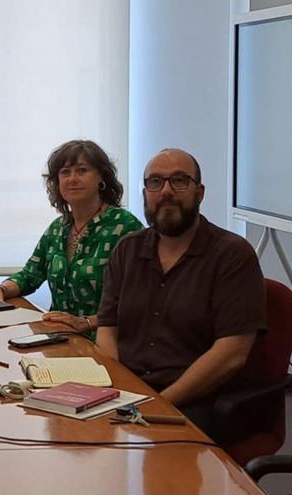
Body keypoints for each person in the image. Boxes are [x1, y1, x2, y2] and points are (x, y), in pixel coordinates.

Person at [96, 148, 265, 433]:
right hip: (130, 394)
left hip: (196, 400)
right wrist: (121, 389)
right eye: (155, 182)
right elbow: (107, 328)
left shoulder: (233, 256)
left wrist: (160, 403)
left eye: (179, 181)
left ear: (200, 193)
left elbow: (231, 353)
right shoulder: (128, 249)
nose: (166, 191)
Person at [0, 140, 142, 340]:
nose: (73, 179)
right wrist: (1, 289)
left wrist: (86, 322)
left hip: (109, 343)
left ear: (101, 178)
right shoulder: (58, 228)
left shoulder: (125, 227)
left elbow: (140, 300)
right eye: (65, 172)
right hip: (60, 337)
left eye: (82, 170)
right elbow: (30, 275)